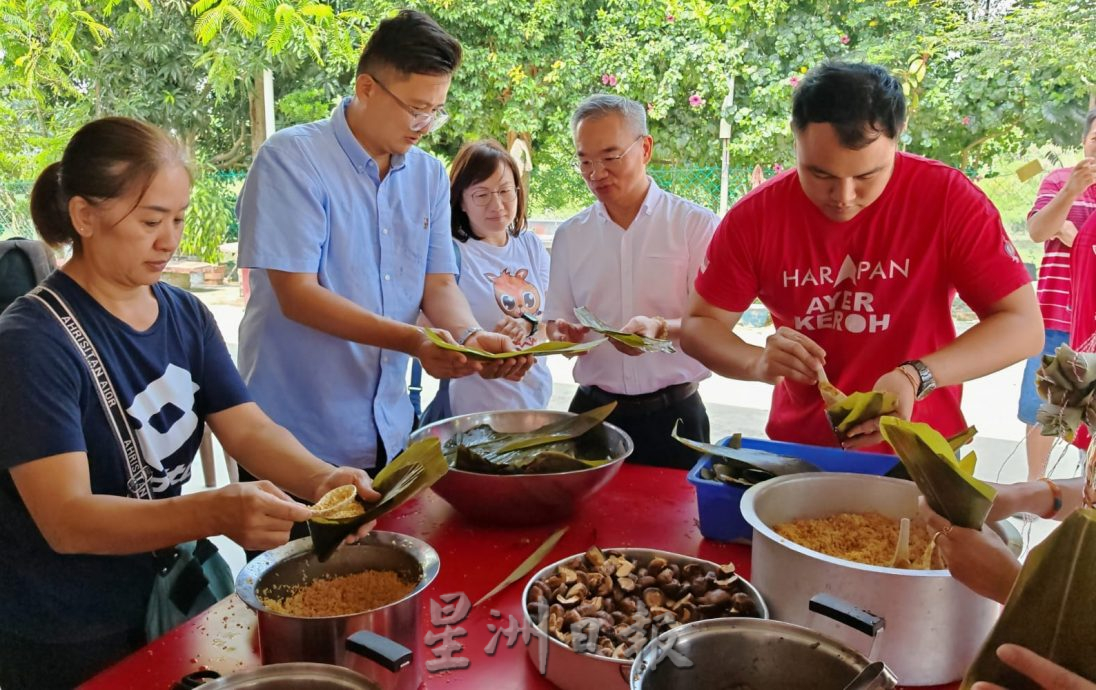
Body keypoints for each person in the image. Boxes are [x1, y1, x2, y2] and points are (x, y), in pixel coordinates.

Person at [0, 117, 379, 689]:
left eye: (177, 219)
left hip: (166, 597)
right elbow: (67, 521)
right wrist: (215, 510)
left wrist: (322, 478)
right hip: (67, 627)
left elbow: (247, 428)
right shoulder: (32, 341)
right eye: (151, 220)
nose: (169, 240)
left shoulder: (184, 314)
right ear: (85, 216)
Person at [681, 61, 1042, 453]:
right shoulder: (756, 217)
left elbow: (1022, 326)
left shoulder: (947, 200)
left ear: (898, 137)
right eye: (819, 175)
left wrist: (915, 376)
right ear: (795, 138)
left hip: (920, 450)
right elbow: (700, 325)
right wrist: (757, 363)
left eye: (867, 176)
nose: (843, 197)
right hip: (803, 450)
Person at [236, 10, 531, 476]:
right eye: (416, 108)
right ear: (367, 87)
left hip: (389, 430)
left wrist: (471, 339)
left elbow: (438, 284)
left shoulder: (428, 174)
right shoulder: (291, 160)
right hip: (294, 438)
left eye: (437, 111)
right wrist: (416, 342)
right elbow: (298, 297)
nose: (425, 125)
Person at [544, 94, 717, 469]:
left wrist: (661, 329)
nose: (596, 173)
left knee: (679, 524)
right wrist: (562, 338)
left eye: (610, 157)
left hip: (676, 415)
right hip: (593, 414)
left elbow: (713, 325)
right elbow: (554, 322)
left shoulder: (694, 226)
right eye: (584, 160)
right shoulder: (571, 235)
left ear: (646, 148)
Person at [438, 140, 552, 417]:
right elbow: (434, 325)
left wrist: (528, 325)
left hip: (534, 402)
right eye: (481, 194)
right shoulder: (449, 251)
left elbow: (553, 314)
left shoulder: (529, 244)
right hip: (474, 412)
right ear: (461, 200)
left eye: (505, 191)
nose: (497, 204)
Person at [1016, 108, 1096, 479]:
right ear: (1084, 142)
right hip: (1058, 317)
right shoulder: (1059, 180)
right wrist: (1070, 192)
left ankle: (1085, 488)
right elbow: (1037, 231)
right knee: (1046, 408)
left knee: (1089, 415)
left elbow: (1076, 240)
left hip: (1092, 325)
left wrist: (1077, 238)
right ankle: (1036, 487)